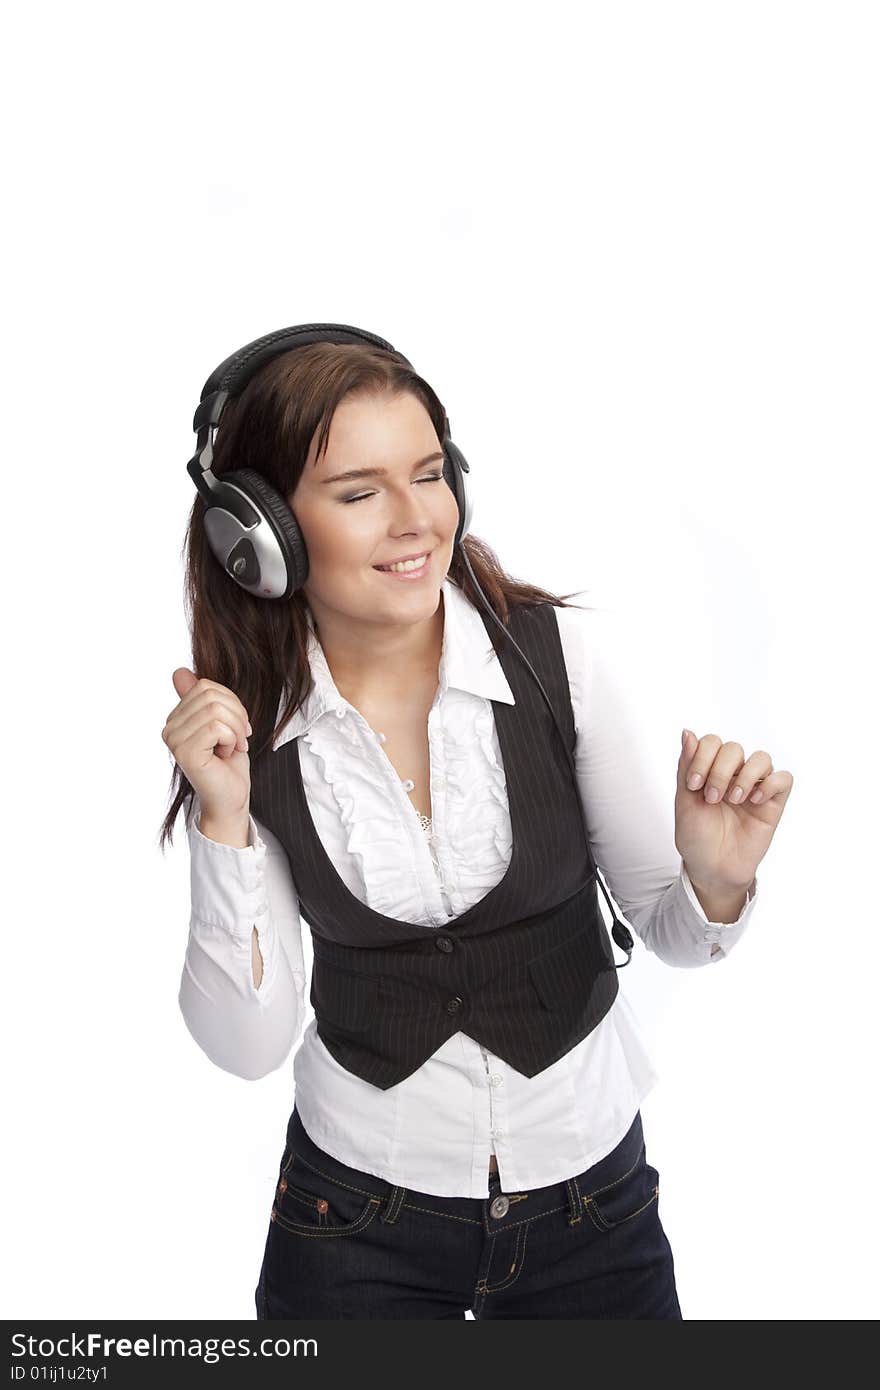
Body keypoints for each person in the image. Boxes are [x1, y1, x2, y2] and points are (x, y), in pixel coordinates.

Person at [160, 329, 789, 1319]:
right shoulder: (251, 734)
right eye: (360, 492)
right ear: (262, 533)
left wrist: (714, 880)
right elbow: (248, 1046)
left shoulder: (551, 660)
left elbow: (677, 933)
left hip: (594, 1207)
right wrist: (223, 821)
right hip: (351, 1218)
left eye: (428, 474)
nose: (417, 521)